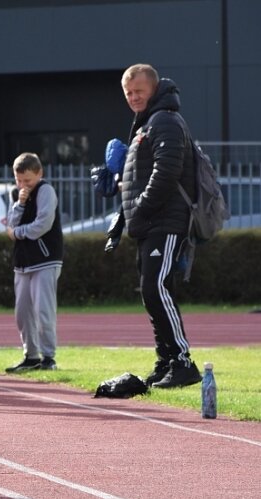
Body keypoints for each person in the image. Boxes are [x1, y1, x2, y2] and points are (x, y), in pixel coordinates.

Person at [119, 63, 201, 388]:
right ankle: (165, 360)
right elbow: (140, 176)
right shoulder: (147, 123)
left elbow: (167, 170)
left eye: (139, 91)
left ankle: (182, 362)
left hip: (166, 221)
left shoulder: (164, 119)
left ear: (154, 89)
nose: (133, 97)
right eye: (128, 93)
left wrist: (139, 208)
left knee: (158, 288)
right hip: (151, 222)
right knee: (151, 292)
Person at [4, 153, 63, 373]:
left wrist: (18, 233)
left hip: (46, 259)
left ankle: (48, 356)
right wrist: (19, 203)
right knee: (22, 311)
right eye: (18, 180)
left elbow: (43, 224)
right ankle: (30, 355)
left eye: (27, 180)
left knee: (43, 309)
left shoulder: (45, 190)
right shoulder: (16, 193)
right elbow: (10, 222)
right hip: (23, 261)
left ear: (39, 174)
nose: (22, 185)